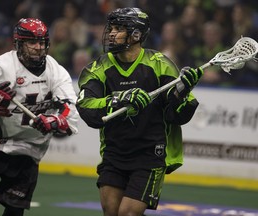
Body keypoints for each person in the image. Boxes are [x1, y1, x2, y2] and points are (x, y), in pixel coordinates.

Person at [76, 7, 203, 216]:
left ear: (136, 34)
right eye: (111, 28)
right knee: (111, 211)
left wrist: (182, 93)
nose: (111, 33)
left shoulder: (160, 64)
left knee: (128, 213)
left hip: (149, 154)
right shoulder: (98, 67)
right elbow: (86, 108)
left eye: (118, 28)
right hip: (114, 152)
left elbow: (177, 115)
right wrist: (118, 99)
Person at [0, 18, 79, 216]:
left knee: (14, 210)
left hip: (30, 150)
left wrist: (53, 121)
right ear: (19, 44)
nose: (39, 48)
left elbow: (70, 112)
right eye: (32, 42)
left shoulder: (56, 71)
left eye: (42, 42)